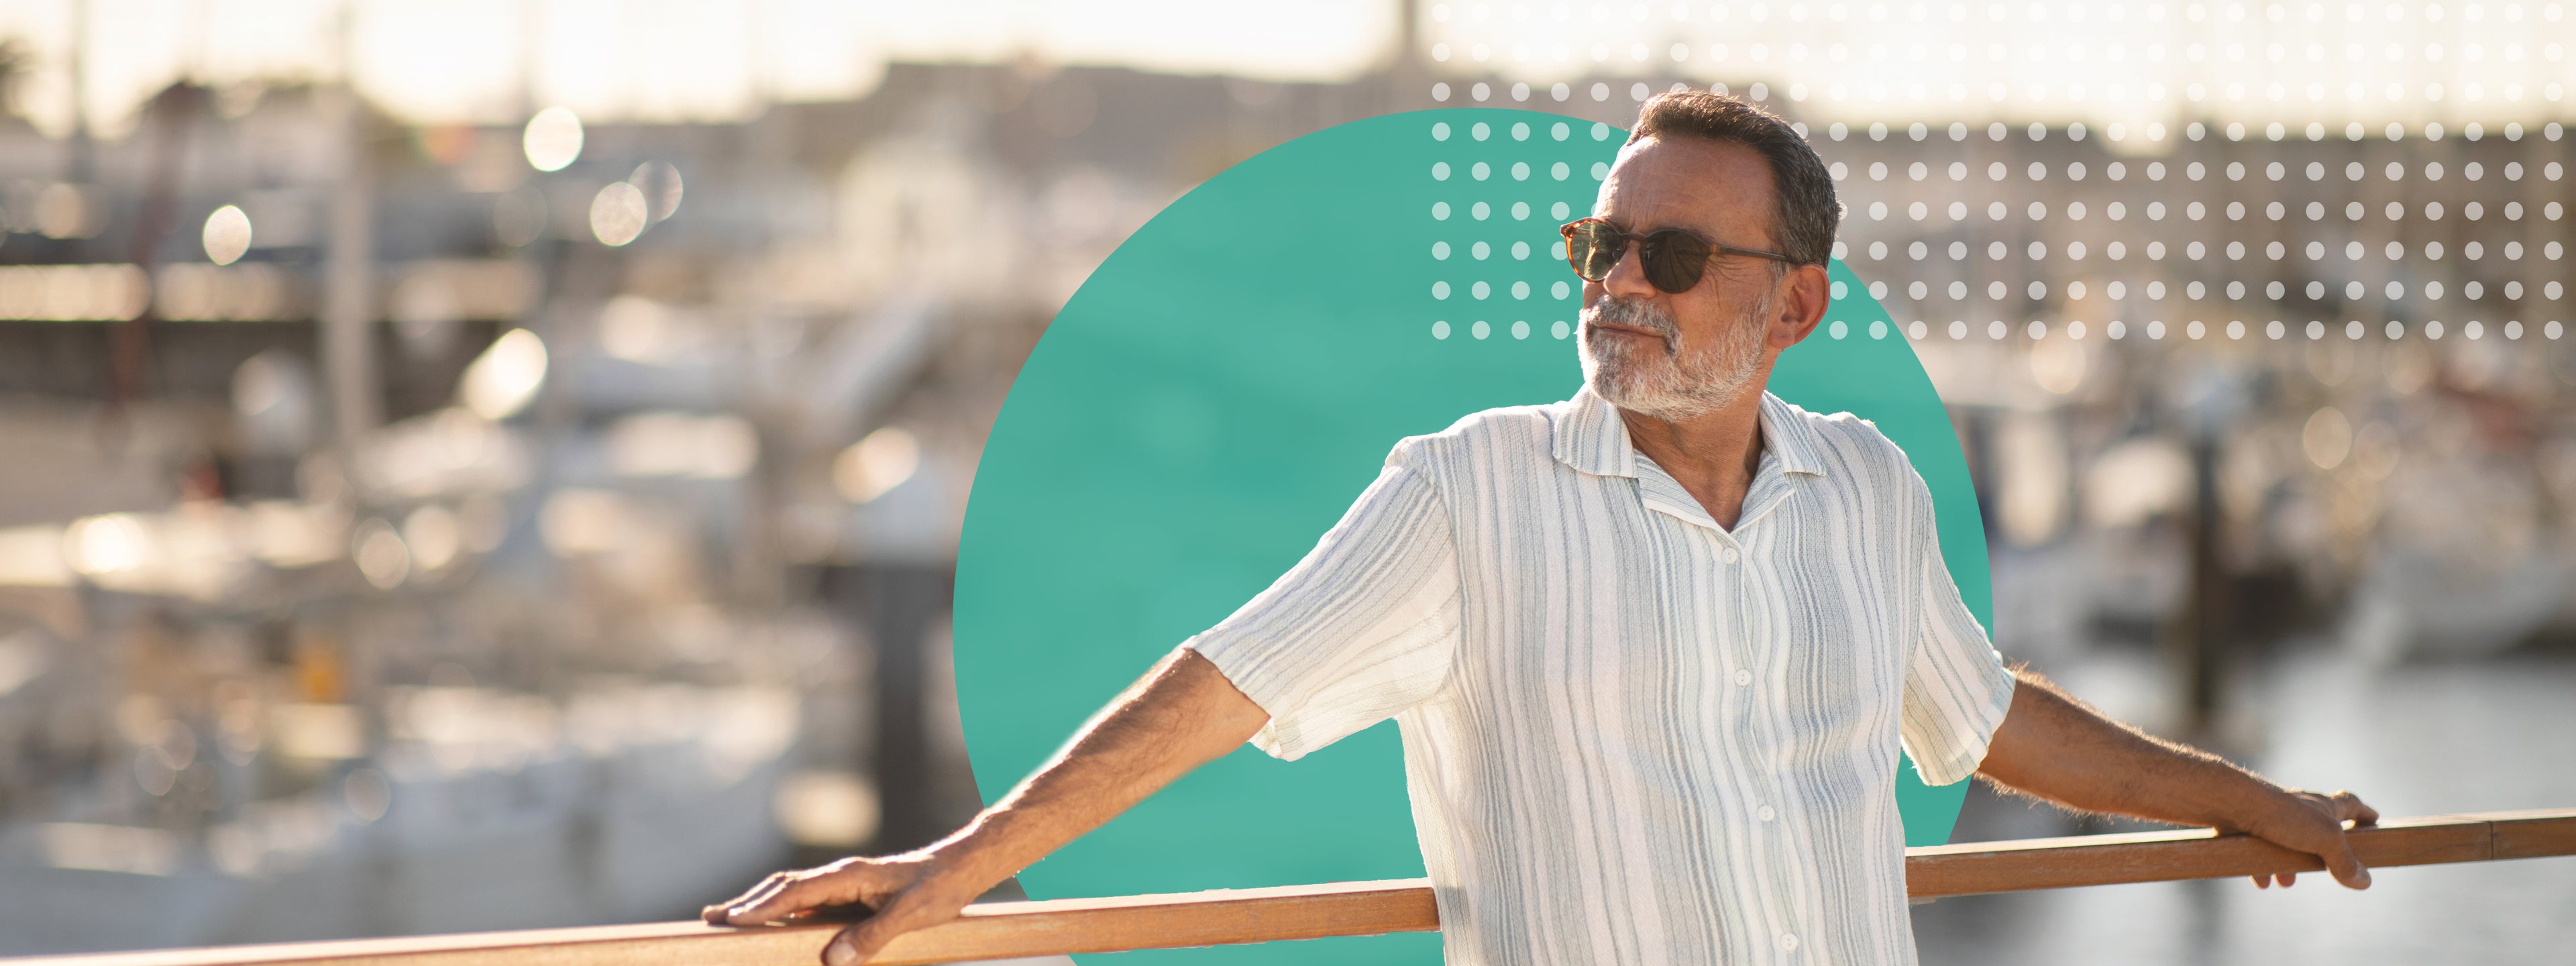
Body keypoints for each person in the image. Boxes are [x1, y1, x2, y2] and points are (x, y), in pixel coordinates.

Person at [706, 91, 2378, 966]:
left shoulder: (1866, 484)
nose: (1615, 289)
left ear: (1794, 305)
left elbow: (1989, 720)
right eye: (1601, 244)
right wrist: (947, 872)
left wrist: (2260, 803)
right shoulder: (1468, 490)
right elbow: (1216, 691)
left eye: (1668, 259)